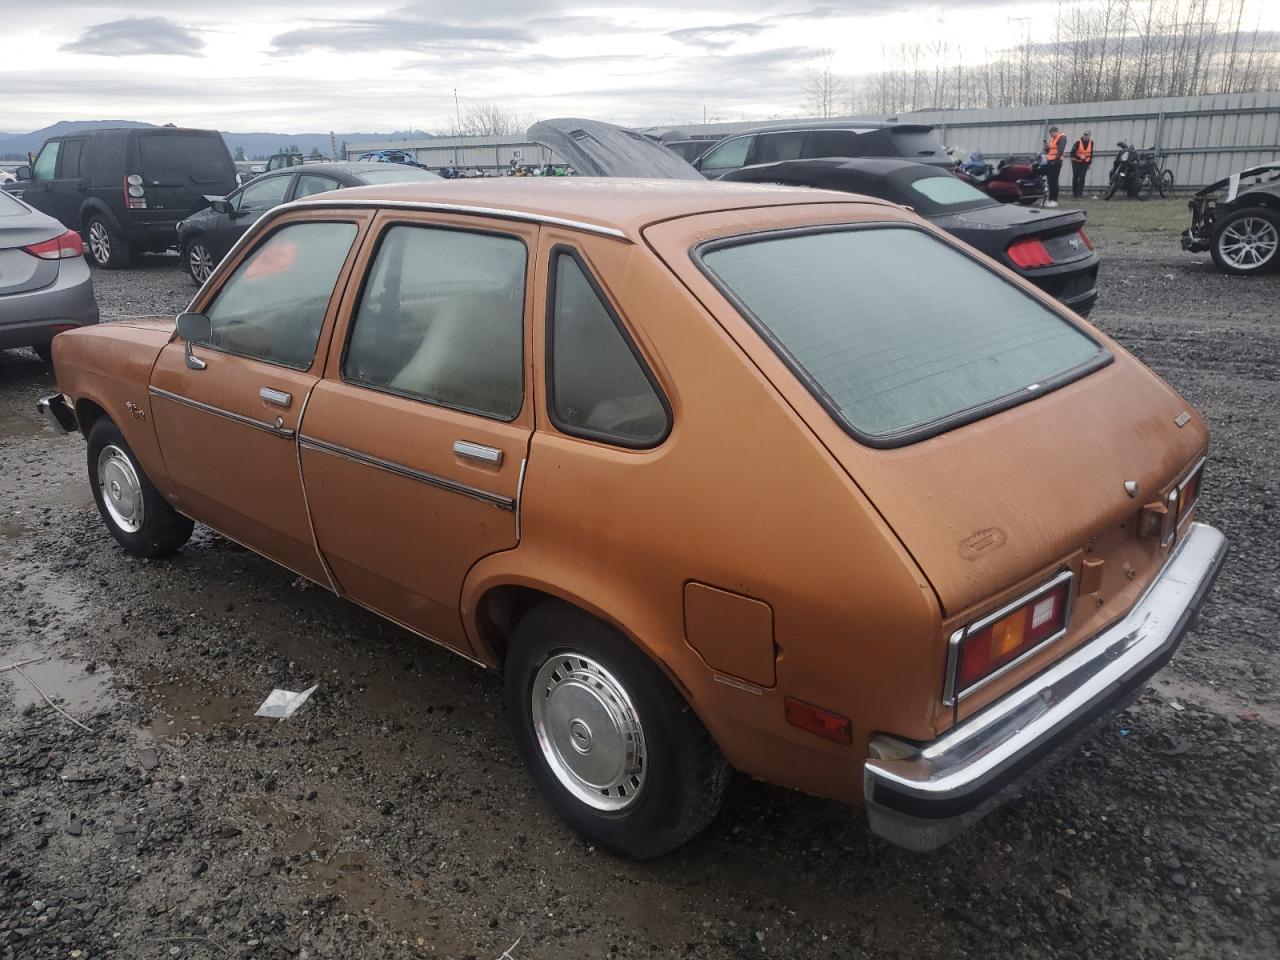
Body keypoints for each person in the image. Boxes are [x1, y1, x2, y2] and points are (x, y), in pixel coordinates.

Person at [1043, 125, 1067, 207]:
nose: (1051, 136)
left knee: (1054, 180)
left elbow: (1061, 150)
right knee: (1050, 181)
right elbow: (1049, 151)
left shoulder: (1062, 137)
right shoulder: (1053, 139)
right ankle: (1050, 199)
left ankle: (1054, 200)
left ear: (1055, 131)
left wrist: (1055, 160)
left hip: (1056, 162)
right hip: (1050, 160)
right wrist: (1046, 148)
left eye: (1051, 134)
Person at [1070, 130, 1094, 198]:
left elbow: (1091, 153)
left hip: (1085, 163)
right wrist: (1080, 157)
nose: (1085, 136)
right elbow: (1072, 153)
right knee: (1075, 178)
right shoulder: (1078, 142)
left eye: (1086, 135)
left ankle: (1080, 193)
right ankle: (1075, 193)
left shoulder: (1091, 143)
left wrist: (1089, 163)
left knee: (1082, 178)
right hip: (1076, 162)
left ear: (1089, 136)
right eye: (1084, 134)